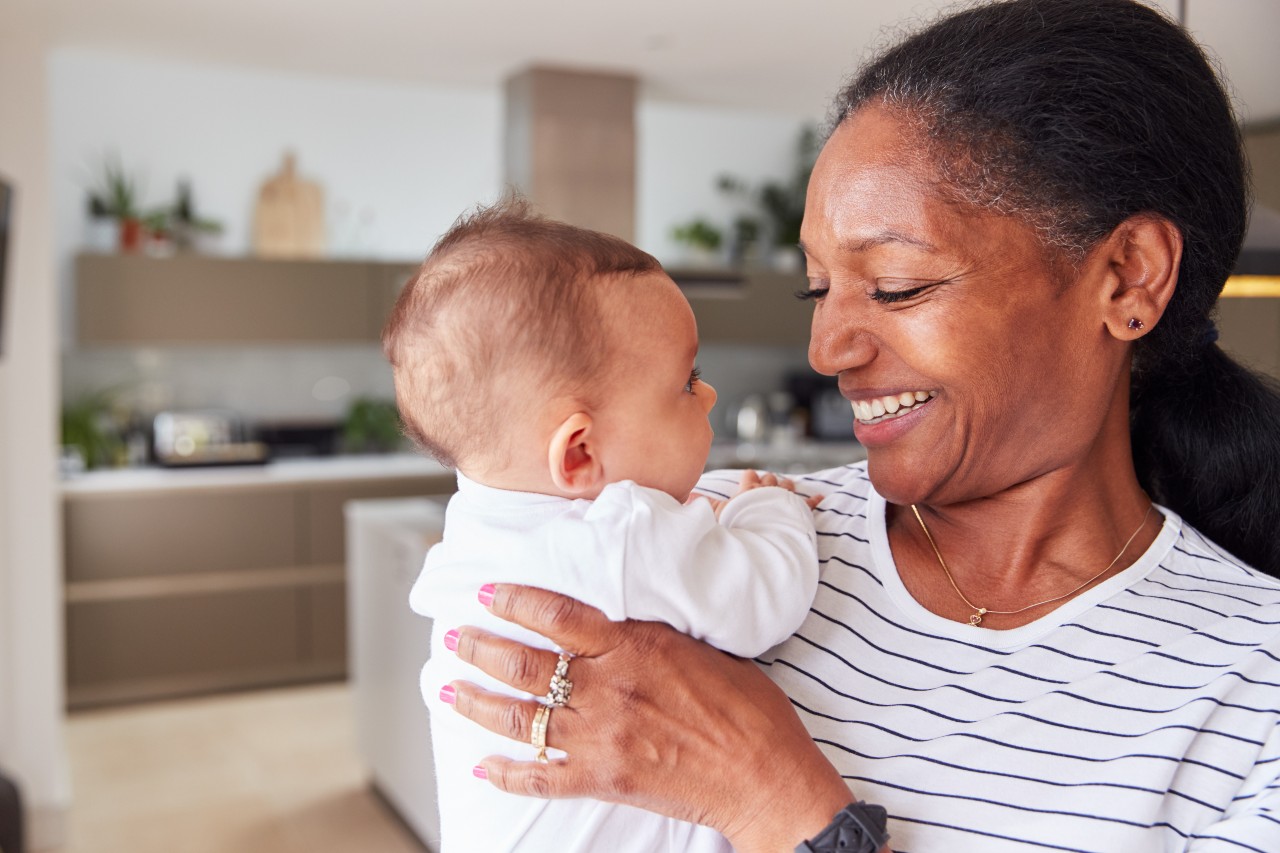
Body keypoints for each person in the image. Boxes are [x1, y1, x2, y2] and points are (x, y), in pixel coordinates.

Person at [432, 1, 1280, 851]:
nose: (827, 346)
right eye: (818, 288)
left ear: (1128, 278)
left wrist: (775, 800)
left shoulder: (1256, 693)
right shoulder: (708, 527)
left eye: (897, 285)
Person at [381, 200, 822, 851]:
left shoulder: (474, 535)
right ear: (580, 453)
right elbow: (766, 594)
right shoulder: (622, 536)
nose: (710, 395)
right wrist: (770, 506)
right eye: (687, 380)